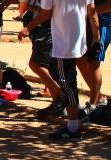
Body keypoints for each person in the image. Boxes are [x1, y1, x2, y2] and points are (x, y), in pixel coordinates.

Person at [19, 0, 99, 141]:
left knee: (68, 85)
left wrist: (28, 28)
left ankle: (73, 128)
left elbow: (46, 13)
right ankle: (73, 113)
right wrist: (96, 38)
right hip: (77, 42)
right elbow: (92, 11)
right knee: (61, 76)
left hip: (64, 46)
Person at [16, 0, 65, 121]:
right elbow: (22, 8)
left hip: (45, 28)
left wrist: (28, 27)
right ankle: (57, 105)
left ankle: (61, 95)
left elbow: (46, 13)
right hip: (39, 28)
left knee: (36, 64)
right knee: (47, 66)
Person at [78, 0, 110, 111]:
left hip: (103, 24)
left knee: (94, 62)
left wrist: (91, 12)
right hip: (88, 23)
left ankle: (93, 103)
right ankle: (98, 97)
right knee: (79, 59)